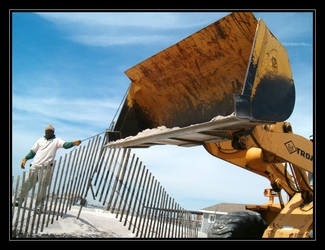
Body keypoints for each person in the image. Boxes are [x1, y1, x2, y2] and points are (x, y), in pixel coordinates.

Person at [16, 124, 82, 207]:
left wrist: (73, 143)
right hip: (34, 166)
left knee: (42, 188)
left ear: (52, 132)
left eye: (49, 132)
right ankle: (18, 200)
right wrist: (25, 159)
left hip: (45, 168)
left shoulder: (56, 141)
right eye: (46, 132)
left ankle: (39, 205)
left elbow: (65, 145)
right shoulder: (40, 140)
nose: (47, 133)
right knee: (26, 183)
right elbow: (33, 152)